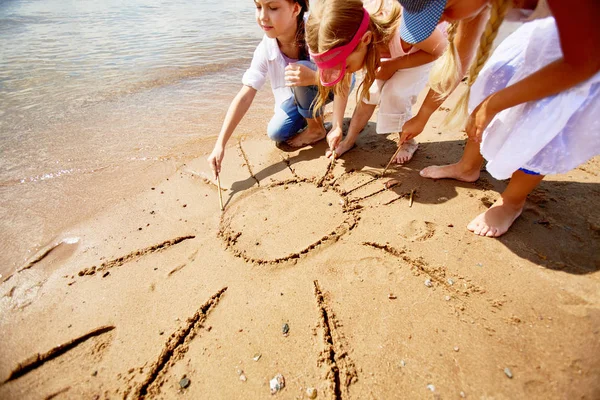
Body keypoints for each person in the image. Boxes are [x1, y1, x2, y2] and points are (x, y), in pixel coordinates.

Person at [395, 0, 599, 237]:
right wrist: (422, 116)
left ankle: (512, 201)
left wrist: (494, 105)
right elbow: (458, 61)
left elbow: (585, 62)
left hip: (577, 55)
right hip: (542, 40)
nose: (440, 21)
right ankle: (467, 167)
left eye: (443, 11)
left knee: (540, 118)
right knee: (493, 82)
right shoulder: (471, 5)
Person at [305, 0, 447, 163]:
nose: (344, 71)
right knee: (370, 93)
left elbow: (443, 52)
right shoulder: (354, 33)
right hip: (384, 53)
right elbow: (343, 82)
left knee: (395, 92)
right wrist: (337, 126)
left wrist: (394, 65)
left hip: (422, 52)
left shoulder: (407, 29)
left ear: (365, 40)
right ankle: (349, 140)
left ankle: (407, 142)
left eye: (347, 66)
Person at [208, 0, 329, 179]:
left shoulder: (316, 30)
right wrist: (220, 144)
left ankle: (316, 129)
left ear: (296, 8)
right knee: (277, 132)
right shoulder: (266, 47)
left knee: (299, 68)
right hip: (300, 95)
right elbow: (245, 95)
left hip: (334, 83)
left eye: (272, 8)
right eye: (258, 7)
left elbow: (345, 73)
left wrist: (313, 77)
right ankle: (310, 116)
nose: (263, 16)